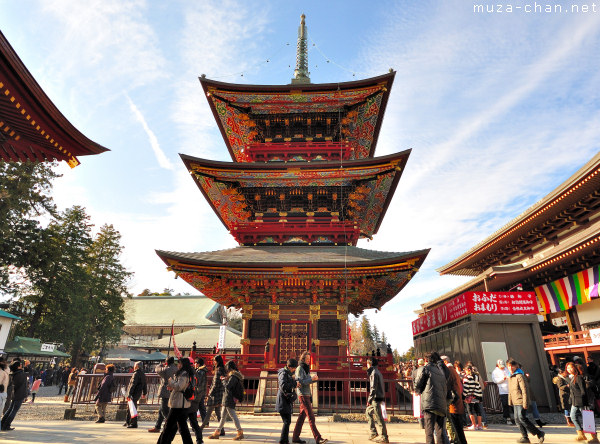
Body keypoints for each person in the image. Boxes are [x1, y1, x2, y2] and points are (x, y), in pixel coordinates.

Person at [157, 356, 194, 444]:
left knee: (168, 426)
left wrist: (171, 381)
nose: (178, 365)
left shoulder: (184, 374)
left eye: (179, 363)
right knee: (182, 427)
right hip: (181, 403)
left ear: (183, 364)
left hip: (179, 403)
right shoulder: (186, 373)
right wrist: (172, 387)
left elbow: (179, 386)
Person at [507, 358, 545, 444]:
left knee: (522, 418)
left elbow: (524, 390)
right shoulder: (510, 377)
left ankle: (539, 433)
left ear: (516, 366)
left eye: (512, 366)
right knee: (517, 419)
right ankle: (524, 437)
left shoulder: (520, 376)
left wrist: (525, 402)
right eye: (508, 366)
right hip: (515, 400)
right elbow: (510, 390)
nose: (510, 368)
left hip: (521, 400)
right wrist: (510, 401)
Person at [292, 351, 327, 444]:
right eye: (307, 359)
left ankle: (295, 437)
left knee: (301, 417)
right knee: (311, 417)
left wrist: (314, 379)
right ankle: (318, 438)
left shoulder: (305, 368)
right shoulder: (300, 368)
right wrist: (311, 379)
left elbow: (306, 381)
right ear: (303, 359)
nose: (308, 361)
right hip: (303, 394)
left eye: (309, 359)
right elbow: (301, 382)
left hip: (306, 394)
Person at [414, 351, 447, 444]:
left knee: (429, 430)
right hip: (441, 404)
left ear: (425, 360)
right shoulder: (440, 371)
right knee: (440, 431)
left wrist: (417, 391)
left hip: (430, 403)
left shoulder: (425, 368)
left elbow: (418, 382)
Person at [208, 360, 244, 440]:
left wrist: (223, 380)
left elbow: (228, 386)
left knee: (233, 416)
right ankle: (217, 432)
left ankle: (240, 432)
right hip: (227, 398)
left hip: (229, 398)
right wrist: (225, 379)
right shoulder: (234, 376)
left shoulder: (234, 376)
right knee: (223, 417)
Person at [441, 356, 468, 444]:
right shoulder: (452, 370)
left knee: (456, 427)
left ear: (445, 362)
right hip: (457, 401)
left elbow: (448, 385)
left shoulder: (449, 370)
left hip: (454, 403)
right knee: (458, 428)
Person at [149, 357, 178, 433]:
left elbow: (157, 370)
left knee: (164, 410)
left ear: (167, 362)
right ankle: (157, 426)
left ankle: (173, 425)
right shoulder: (176, 368)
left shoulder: (167, 370)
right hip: (173, 390)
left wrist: (160, 364)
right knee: (161, 410)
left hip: (166, 391)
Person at [365, 357, 389, 443]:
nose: (366, 366)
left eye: (367, 364)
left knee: (379, 417)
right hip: (379, 396)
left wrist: (369, 399)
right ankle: (373, 432)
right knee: (368, 412)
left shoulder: (374, 373)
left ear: (370, 364)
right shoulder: (378, 372)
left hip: (376, 397)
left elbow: (373, 387)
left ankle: (384, 437)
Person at [200, 355, 226, 433]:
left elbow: (215, 384)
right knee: (218, 413)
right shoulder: (222, 370)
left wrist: (209, 394)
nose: (213, 362)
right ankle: (222, 430)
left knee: (209, 412)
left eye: (214, 360)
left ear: (217, 361)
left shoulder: (218, 370)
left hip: (215, 394)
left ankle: (201, 428)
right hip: (220, 393)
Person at [276, 358, 298, 444]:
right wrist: (294, 384)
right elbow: (283, 385)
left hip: (285, 401)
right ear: (289, 367)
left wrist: (294, 381)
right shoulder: (283, 373)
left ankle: (284, 440)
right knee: (287, 421)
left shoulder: (288, 373)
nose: (294, 369)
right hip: (283, 400)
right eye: (293, 368)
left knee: (287, 421)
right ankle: (283, 441)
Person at [1, 360, 27, 431]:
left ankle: (2, 424)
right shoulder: (21, 374)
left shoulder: (13, 374)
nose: (22, 366)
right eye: (20, 365)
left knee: (10, 410)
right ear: (18, 367)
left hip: (14, 394)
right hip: (20, 394)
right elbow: (24, 385)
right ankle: (7, 425)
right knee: (14, 411)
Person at [186, 357, 205, 444]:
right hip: (194, 398)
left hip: (190, 399)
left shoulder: (191, 373)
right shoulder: (195, 372)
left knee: (185, 422)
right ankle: (199, 439)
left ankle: (198, 439)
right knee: (193, 421)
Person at [125, 361, 147, 428]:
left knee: (132, 408)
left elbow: (133, 384)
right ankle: (128, 421)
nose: (134, 367)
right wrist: (144, 393)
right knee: (130, 407)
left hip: (134, 393)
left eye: (134, 365)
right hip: (138, 392)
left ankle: (133, 423)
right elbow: (145, 384)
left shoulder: (136, 374)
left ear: (137, 366)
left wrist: (129, 394)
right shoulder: (143, 374)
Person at [492, 359, 514, 425]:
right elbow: (495, 380)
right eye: (501, 366)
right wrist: (502, 379)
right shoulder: (495, 372)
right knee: (505, 405)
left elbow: (510, 374)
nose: (502, 367)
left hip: (510, 389)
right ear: (497, 365)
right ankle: (507, 418)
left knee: (513, 404)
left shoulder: (506, 369)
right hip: (503, 390)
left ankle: (516, 417)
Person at [462, 365, 484, 430]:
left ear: (468, 370)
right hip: (477, 395)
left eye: (465, 370)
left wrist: (463, 396)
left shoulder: (467, 378)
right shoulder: (476, 376)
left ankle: (474, 424)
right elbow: (478, 386)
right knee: (478, 410)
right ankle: (479, 425)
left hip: (470, 396)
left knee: (470, 410)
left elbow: (466, 388)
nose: (465, 372)